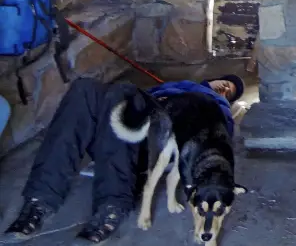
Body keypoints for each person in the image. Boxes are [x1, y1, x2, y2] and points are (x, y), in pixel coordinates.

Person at [3, 74, 244, 243]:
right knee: (84, 87)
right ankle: (40, 199)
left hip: (155, 133)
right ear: (210, 79)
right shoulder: (184, 84)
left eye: (229, 92)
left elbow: (216, 134)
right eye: (224, 83)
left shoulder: (215, 102)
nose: (224, 89)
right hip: (124, 122)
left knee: (123, 91)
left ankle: (113, 204)